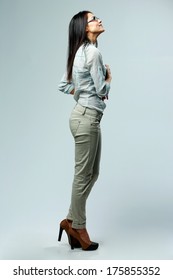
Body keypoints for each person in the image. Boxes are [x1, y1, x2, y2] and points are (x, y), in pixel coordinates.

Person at [58, 10, 112, 251]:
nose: (98, 20)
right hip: (86, 118)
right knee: (83, 176)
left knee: (92, 173)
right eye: (93, 19)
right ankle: (78, 227)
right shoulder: (93, 53)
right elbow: (102, 89)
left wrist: (81, 91)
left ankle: (69, 220)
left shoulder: (79, 52)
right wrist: (108, 77)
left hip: (86, 117)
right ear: (84, 28)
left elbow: (64, 84)